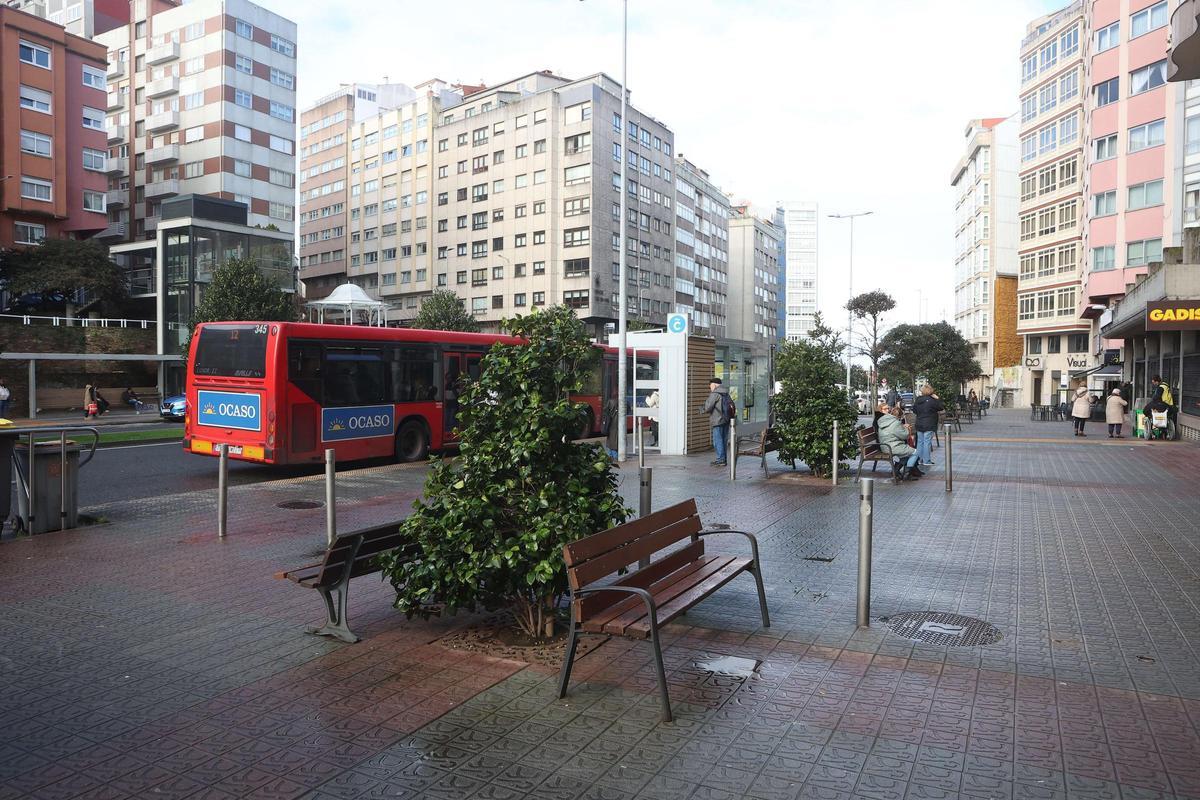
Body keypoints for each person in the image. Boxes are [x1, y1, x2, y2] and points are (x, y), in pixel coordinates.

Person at [875, 402, 921, 480]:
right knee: (916, 452)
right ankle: (907, 474)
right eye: (886, 409)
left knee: (906, 454)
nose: (888, 410)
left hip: (886, 446)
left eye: (888, 409)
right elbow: (905, 436)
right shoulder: (895, 423)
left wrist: (901, 426)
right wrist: (907, 428)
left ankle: (896, 470)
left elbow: (892, 431)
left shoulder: (883, 421)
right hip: (893, 446)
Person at [701, 377, 732, 467]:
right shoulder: (726, 393)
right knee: (723, 440)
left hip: (717, 420)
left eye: (710, 385)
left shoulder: (715, 394)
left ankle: (720, 459)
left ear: (714, 384)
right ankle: (723, 459)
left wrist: (701, 409)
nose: (710, 387)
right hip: (726, 420)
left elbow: (707, 407)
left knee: (717, 441)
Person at [911, 384, 943, 467]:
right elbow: (941, 407)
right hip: (929, 423)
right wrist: (938, 399)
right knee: (927, 442)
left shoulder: (918, 399)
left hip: (919, 423)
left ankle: (919, 460)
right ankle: (927, 460)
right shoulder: (932, 400)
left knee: (920, 442)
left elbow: (914, 410)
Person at [1142, 374, 1176, 439]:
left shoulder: (1160, 388)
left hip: (1162, 404)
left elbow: (1156, 397)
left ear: (1156, 381)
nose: (1153, 384)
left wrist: (1152, 401)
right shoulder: (1165, 386)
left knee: (1145, 410)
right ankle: (1164, 432)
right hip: (1169, 406)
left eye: (1153, 382)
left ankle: (1151, 421)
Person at [603, 396, 620, 461]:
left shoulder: (610, 401)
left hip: (611, 424)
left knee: (611, 440)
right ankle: (614, 456)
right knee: (615, 440)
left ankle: (612, 456)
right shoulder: (623, 401)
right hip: (618, 424)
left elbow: (605, 410)